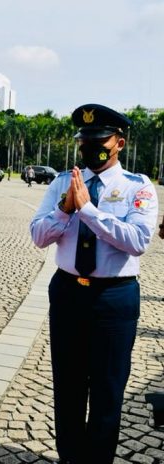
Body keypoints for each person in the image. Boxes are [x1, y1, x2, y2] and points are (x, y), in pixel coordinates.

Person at [30, 103, 159, 462]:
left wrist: (89, 210)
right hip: (68, 292)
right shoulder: (62, 183)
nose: (89, 147)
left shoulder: (138, 186)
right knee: (68, 386)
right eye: (84, 140)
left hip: (113, 298)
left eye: (98, 139)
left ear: (119, 142)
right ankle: (70, 456)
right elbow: (38, 235)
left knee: (107, 388)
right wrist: (65, 209)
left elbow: (138, 240)